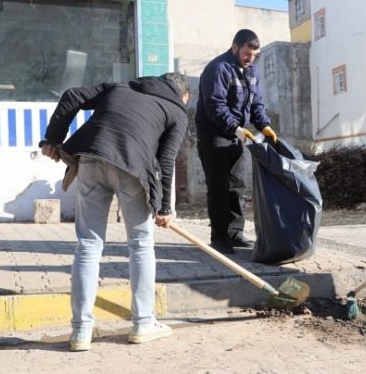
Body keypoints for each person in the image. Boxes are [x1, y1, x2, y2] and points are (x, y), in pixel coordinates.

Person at [39, 73, 190, 351]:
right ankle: (143, 323)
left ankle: (81, 331)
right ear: (184, 96)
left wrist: (52, 138)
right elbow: (166, 159)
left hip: (91, 156)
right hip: (132, 167)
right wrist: (165, 208)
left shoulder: (121, 86)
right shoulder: (177, 111)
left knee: (87, 245)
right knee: (141, 244)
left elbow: (72, 94)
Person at [195, 29, 278, 255]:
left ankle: (235, 233)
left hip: (236, 135)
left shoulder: (252, 72)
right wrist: (236, 128)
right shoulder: (218, 69)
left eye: (255, 55)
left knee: (236, 185)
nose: (250, 59)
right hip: (214, 135)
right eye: (247, 53)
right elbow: (215, 106)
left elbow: (256, 104)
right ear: (234, 47)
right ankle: (219, 238)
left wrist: (264, 125)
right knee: (219, 187)